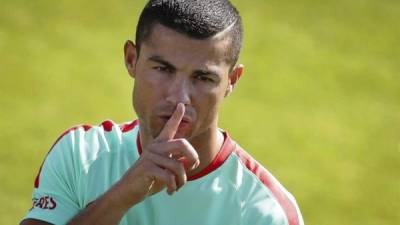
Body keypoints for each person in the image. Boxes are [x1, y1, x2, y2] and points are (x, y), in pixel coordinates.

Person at [20, 0, 304, 224]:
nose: (179, 98)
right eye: (163, 69)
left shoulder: (267, 213)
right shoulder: (79, 155)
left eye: (203, 78)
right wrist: (122, 196)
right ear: (132, 60)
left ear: (231, 81)